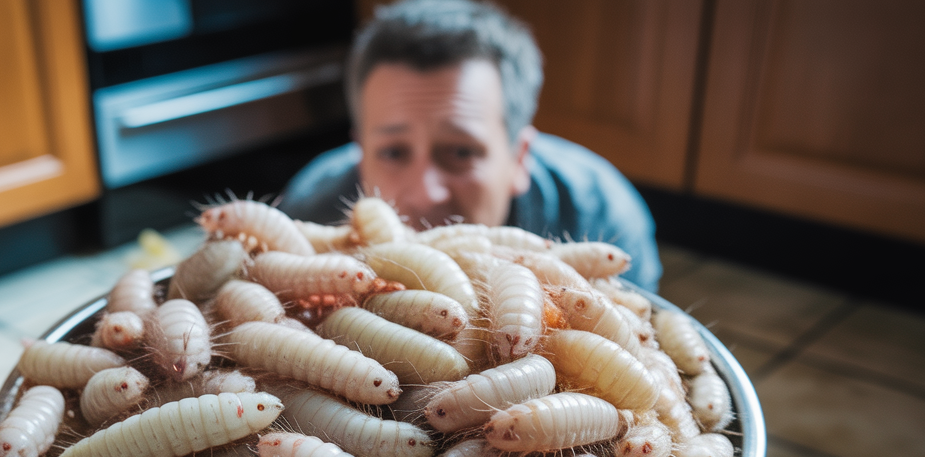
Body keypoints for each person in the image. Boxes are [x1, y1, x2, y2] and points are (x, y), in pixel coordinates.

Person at [278, 0, 662, 292]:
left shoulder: (601, 223)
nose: (426, 193)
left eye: (461, 152)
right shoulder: (311, 214)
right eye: (394, 152)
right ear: (360, 154)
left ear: (519, 158)